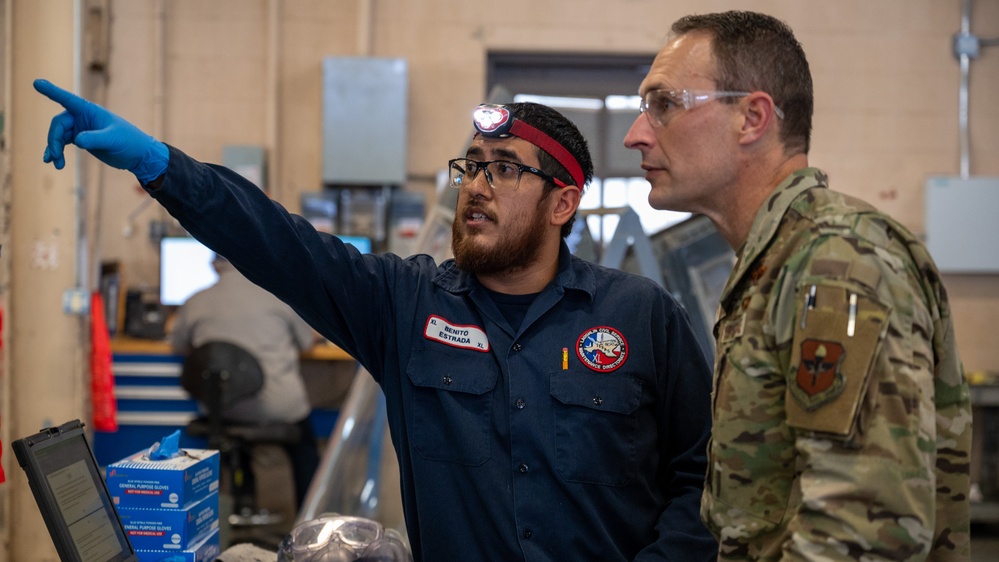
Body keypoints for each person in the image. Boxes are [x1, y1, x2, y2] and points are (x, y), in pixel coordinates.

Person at [34, 80, 718, 561]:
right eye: (471, 166)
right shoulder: (405, 305)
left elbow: (702, 476)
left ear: (561, 202)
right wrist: (161, 167)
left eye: (504, 170)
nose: (475, 185)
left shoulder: (640, 315)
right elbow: (274, 240)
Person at [623, 10, 972, 560]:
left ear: (752, 118)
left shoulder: (836, 261)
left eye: (664, 105)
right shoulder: (772, 262)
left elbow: (861, 533)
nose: (635, 135)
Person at [170, 253, 320, 510]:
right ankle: (311, 514)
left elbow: (178, 346)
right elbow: (307, 341)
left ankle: (237, 503)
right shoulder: (280, 296)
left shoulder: (194, 301)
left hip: (220, 410)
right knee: (305, 445)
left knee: (226, 430)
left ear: (214, 265)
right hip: (275, 409)